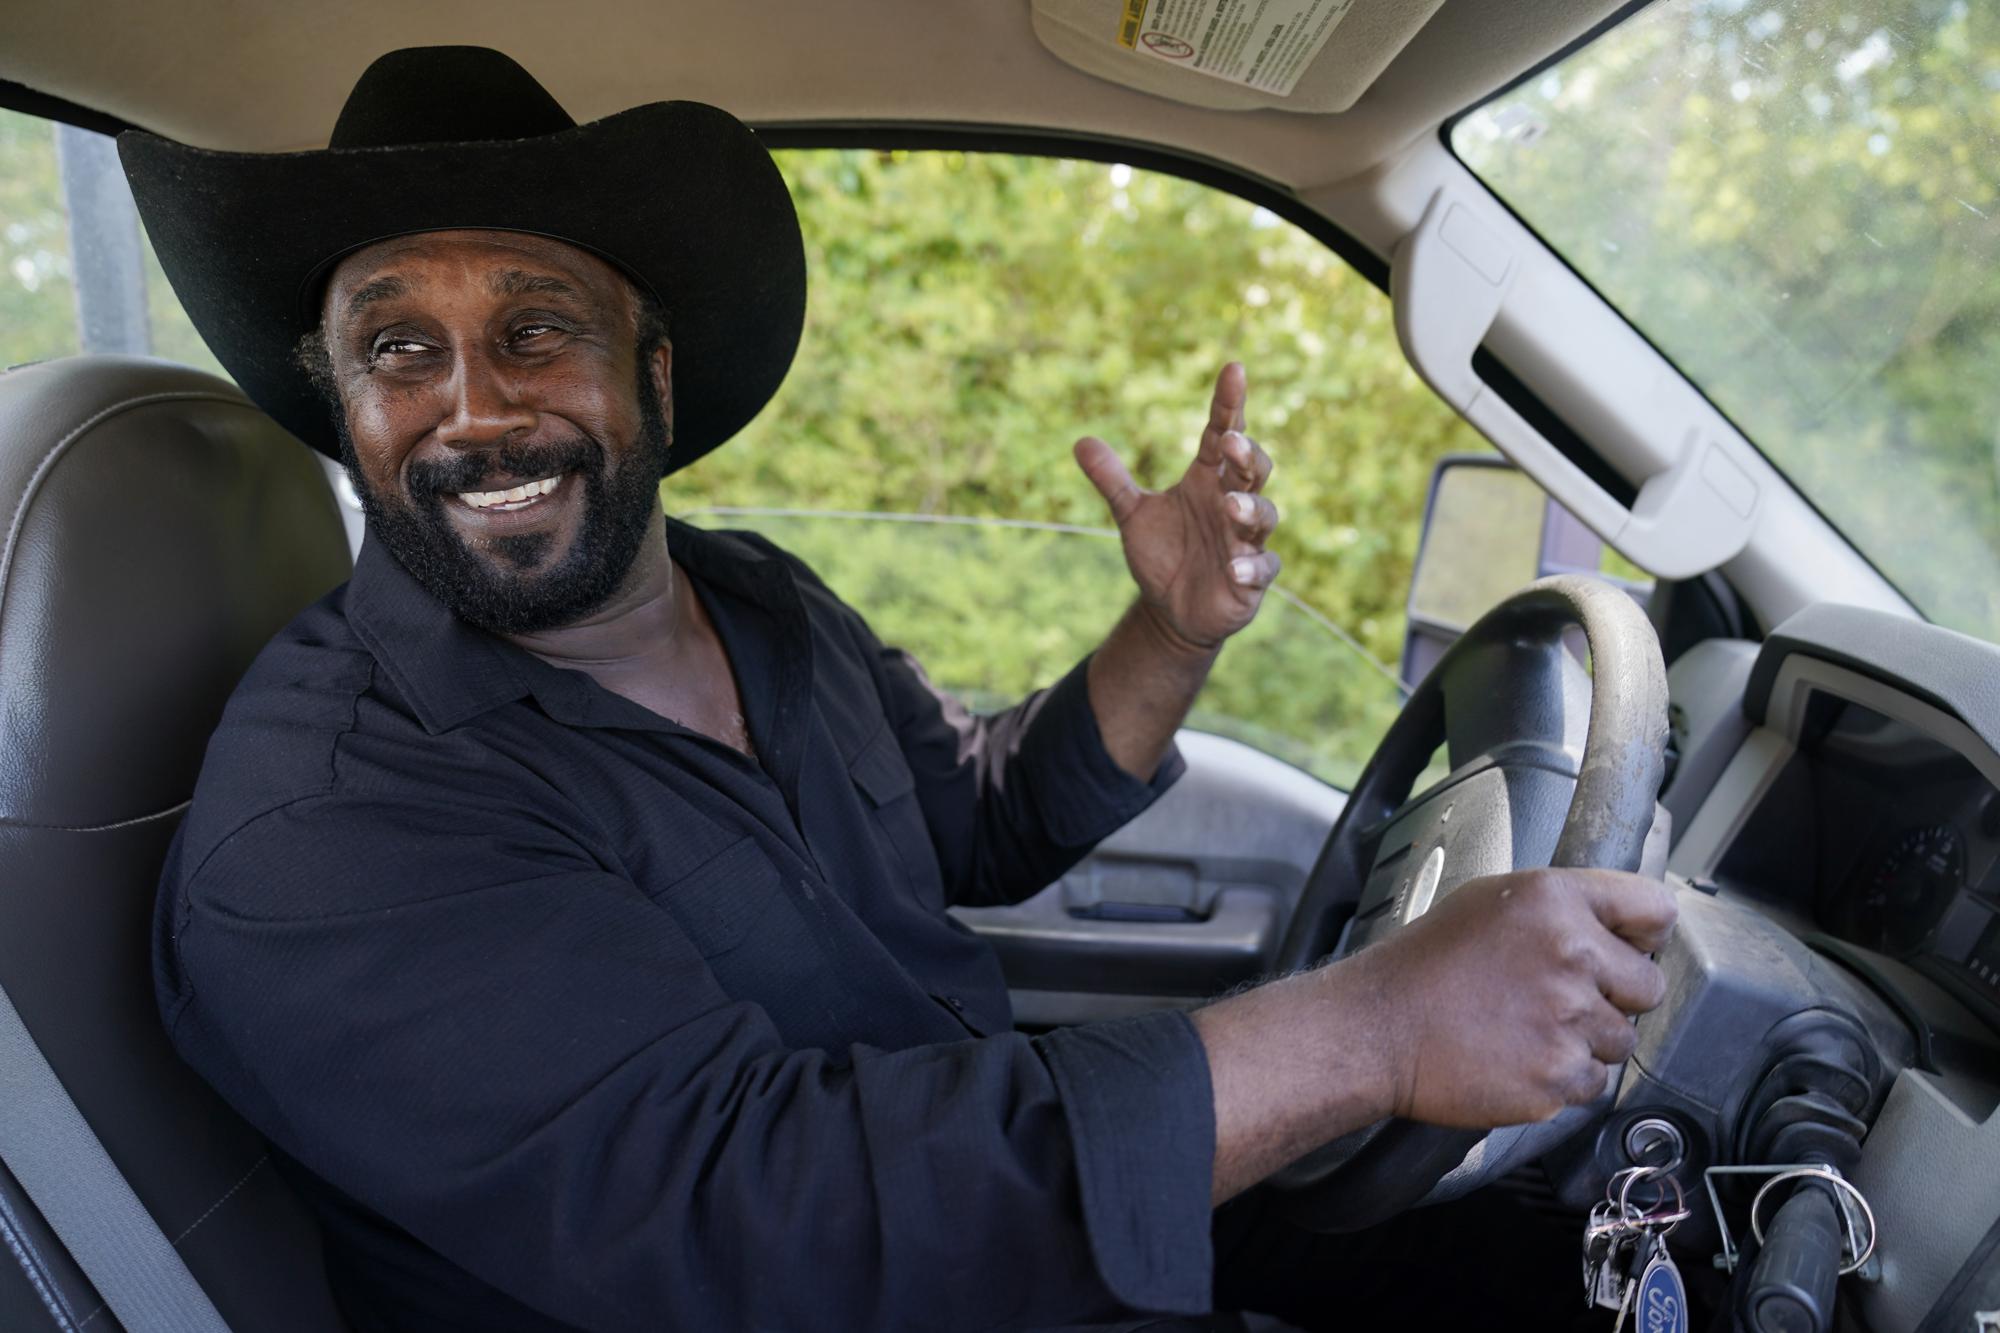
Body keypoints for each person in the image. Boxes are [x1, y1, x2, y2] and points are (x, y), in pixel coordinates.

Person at [125, 46, 1676, 1333]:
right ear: (342, 402)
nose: (475, 411)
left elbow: (982, 815)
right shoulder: (326, 827)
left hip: (1006, 1257)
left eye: (537, 328)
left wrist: (1173, 627)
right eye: (400, 348)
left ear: (651, 376)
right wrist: (1378, 1026)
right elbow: (773, 1214)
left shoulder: (757, 601)